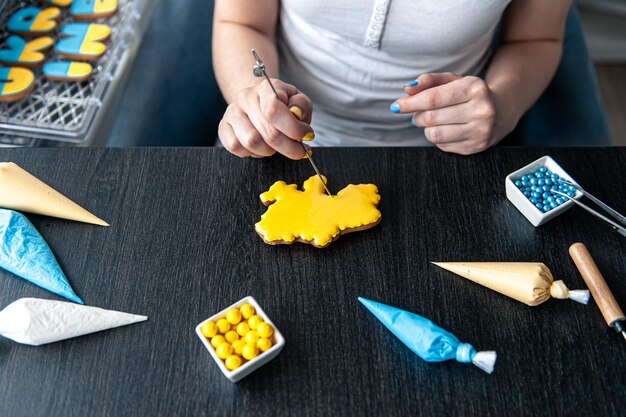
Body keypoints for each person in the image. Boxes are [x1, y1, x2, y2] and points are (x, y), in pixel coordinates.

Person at [213, 0, 571, 158]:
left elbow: (536, 38)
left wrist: (505, 105)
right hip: (281, 143)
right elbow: (243, 21)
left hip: (450, 153)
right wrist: (253, 97)